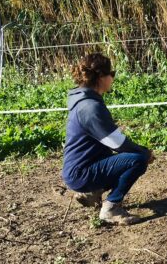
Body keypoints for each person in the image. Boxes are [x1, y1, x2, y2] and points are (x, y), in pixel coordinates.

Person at [62, 53, 154, 225]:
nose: (112, 78)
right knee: (137, 160)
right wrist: (144, 152)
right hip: (81, 173)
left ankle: (92, 193)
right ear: (101, 77)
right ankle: (111, 207)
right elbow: (117, 143)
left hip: (79, 168)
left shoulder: (84, 100)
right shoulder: (90, 107)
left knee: (127, 158)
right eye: (111, 74)